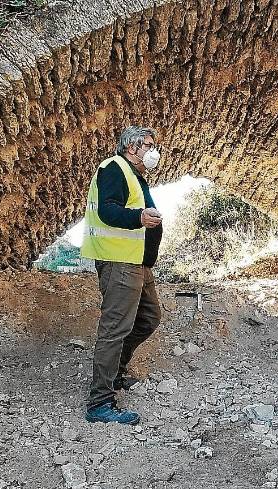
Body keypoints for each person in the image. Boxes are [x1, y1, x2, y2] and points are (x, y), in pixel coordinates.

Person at [81, 126, 163, 425]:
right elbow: (107, 211)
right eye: (149, 145)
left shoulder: (136, 176)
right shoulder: (114, 168)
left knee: (148, 319)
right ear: (132, 147)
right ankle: (100, 403)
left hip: (137, 263)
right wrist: (138, 217)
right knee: (114, 330)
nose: (154, 151)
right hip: (119, 263)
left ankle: (115, 373)